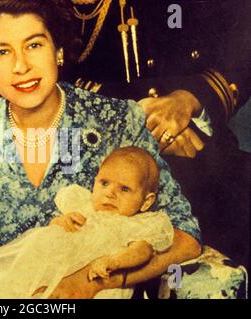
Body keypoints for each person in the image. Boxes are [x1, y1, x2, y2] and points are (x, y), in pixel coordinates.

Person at [0, 0, 201, 298]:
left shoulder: (116, 123)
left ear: (58, 50)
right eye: (2, 51)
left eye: (34, 45)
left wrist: (88, 284)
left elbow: (185, 237)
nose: (21, 66)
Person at [66, 0, 250, 268]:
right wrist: (137, 118)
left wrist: (190, 98)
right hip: (93, 155)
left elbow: (242, 41)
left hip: (196, 142)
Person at [0, 147, 174, 299]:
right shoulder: (84, 206)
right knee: (5, 285)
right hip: (50, 267)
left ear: (146, 201)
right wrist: (63, 221)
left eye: (124, 189)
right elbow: (56, 233)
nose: (110, 194)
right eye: (104, 183)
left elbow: (142, 252)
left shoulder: (137, 225)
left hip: (95, 280)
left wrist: (112, 261)